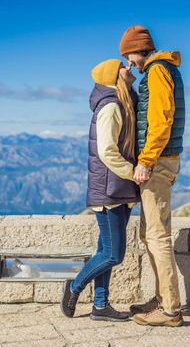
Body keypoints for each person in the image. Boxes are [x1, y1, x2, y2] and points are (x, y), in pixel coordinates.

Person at [60, 59, 140, 322]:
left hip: (116, 189)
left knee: (104, 250)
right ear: (113, 76)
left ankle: (101, 306)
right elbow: (107, 150)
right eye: (123, 66)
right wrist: (133, 174)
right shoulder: (111, 107)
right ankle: (74, 287)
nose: (129, 68)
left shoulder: (121, 102)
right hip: (111, 190)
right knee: (113, 254)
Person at [119, 25, 186, 327]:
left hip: (157, 162)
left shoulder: (158, 71)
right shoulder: (160, 70)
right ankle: (161, 299)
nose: (129, 62)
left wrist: (145, 161)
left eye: (129, 55)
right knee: (149, 234)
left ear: (139, 50)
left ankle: (170, 310)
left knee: (157, 237)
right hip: (163, 160)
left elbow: (160, 119)